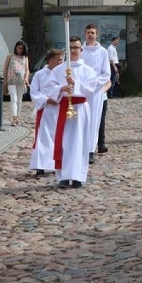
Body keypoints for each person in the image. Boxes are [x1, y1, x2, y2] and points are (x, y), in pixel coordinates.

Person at [45, 36, 99, 189]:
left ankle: (77, 176)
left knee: (79, 142)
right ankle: (63, 176)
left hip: (80, 108)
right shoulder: (58, 70)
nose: (74, 50)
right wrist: (61, 89)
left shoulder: (87, 70)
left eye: (76, 47)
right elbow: (49, 86)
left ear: (81, 50)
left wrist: (76, 84)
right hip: (64, 108)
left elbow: (91, 88)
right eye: (71, 48)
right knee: (64, 142)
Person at [29, 49, 65, 176]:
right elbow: (34, 92)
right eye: (59, 59)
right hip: (45, 110)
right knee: (43, 138)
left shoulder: (63, 74)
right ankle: (40, 166)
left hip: (60, 109)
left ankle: (56, 164)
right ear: (51, 60)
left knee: (59, 137)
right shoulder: (40, 75)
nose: (61, 62)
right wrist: (46, 100)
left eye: (62, 59)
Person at [81, 24, 111, 164]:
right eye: (88, 32)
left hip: (96, 92)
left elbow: (106, 73)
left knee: (94, 121)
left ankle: (90, 150)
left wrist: (93, 86)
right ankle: (79, 148)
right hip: (81, 90)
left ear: (97, 34)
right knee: (81, 120)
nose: (90, 35)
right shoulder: (80, 50)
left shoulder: (103, 52)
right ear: (85, 34)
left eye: (93, 33)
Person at [3, 40, 30, 126]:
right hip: (11, 80)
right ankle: (13, 117)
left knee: (19, 100)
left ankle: (17, 116)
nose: (20, 50)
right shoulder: (10, 56)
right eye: (18, 48)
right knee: (13, 99)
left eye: (22, 48)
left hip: (21, 81)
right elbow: (6, 68)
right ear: (16, 47)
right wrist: (5, 79)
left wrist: (26, 77)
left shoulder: (25, 57)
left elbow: (27, 69)